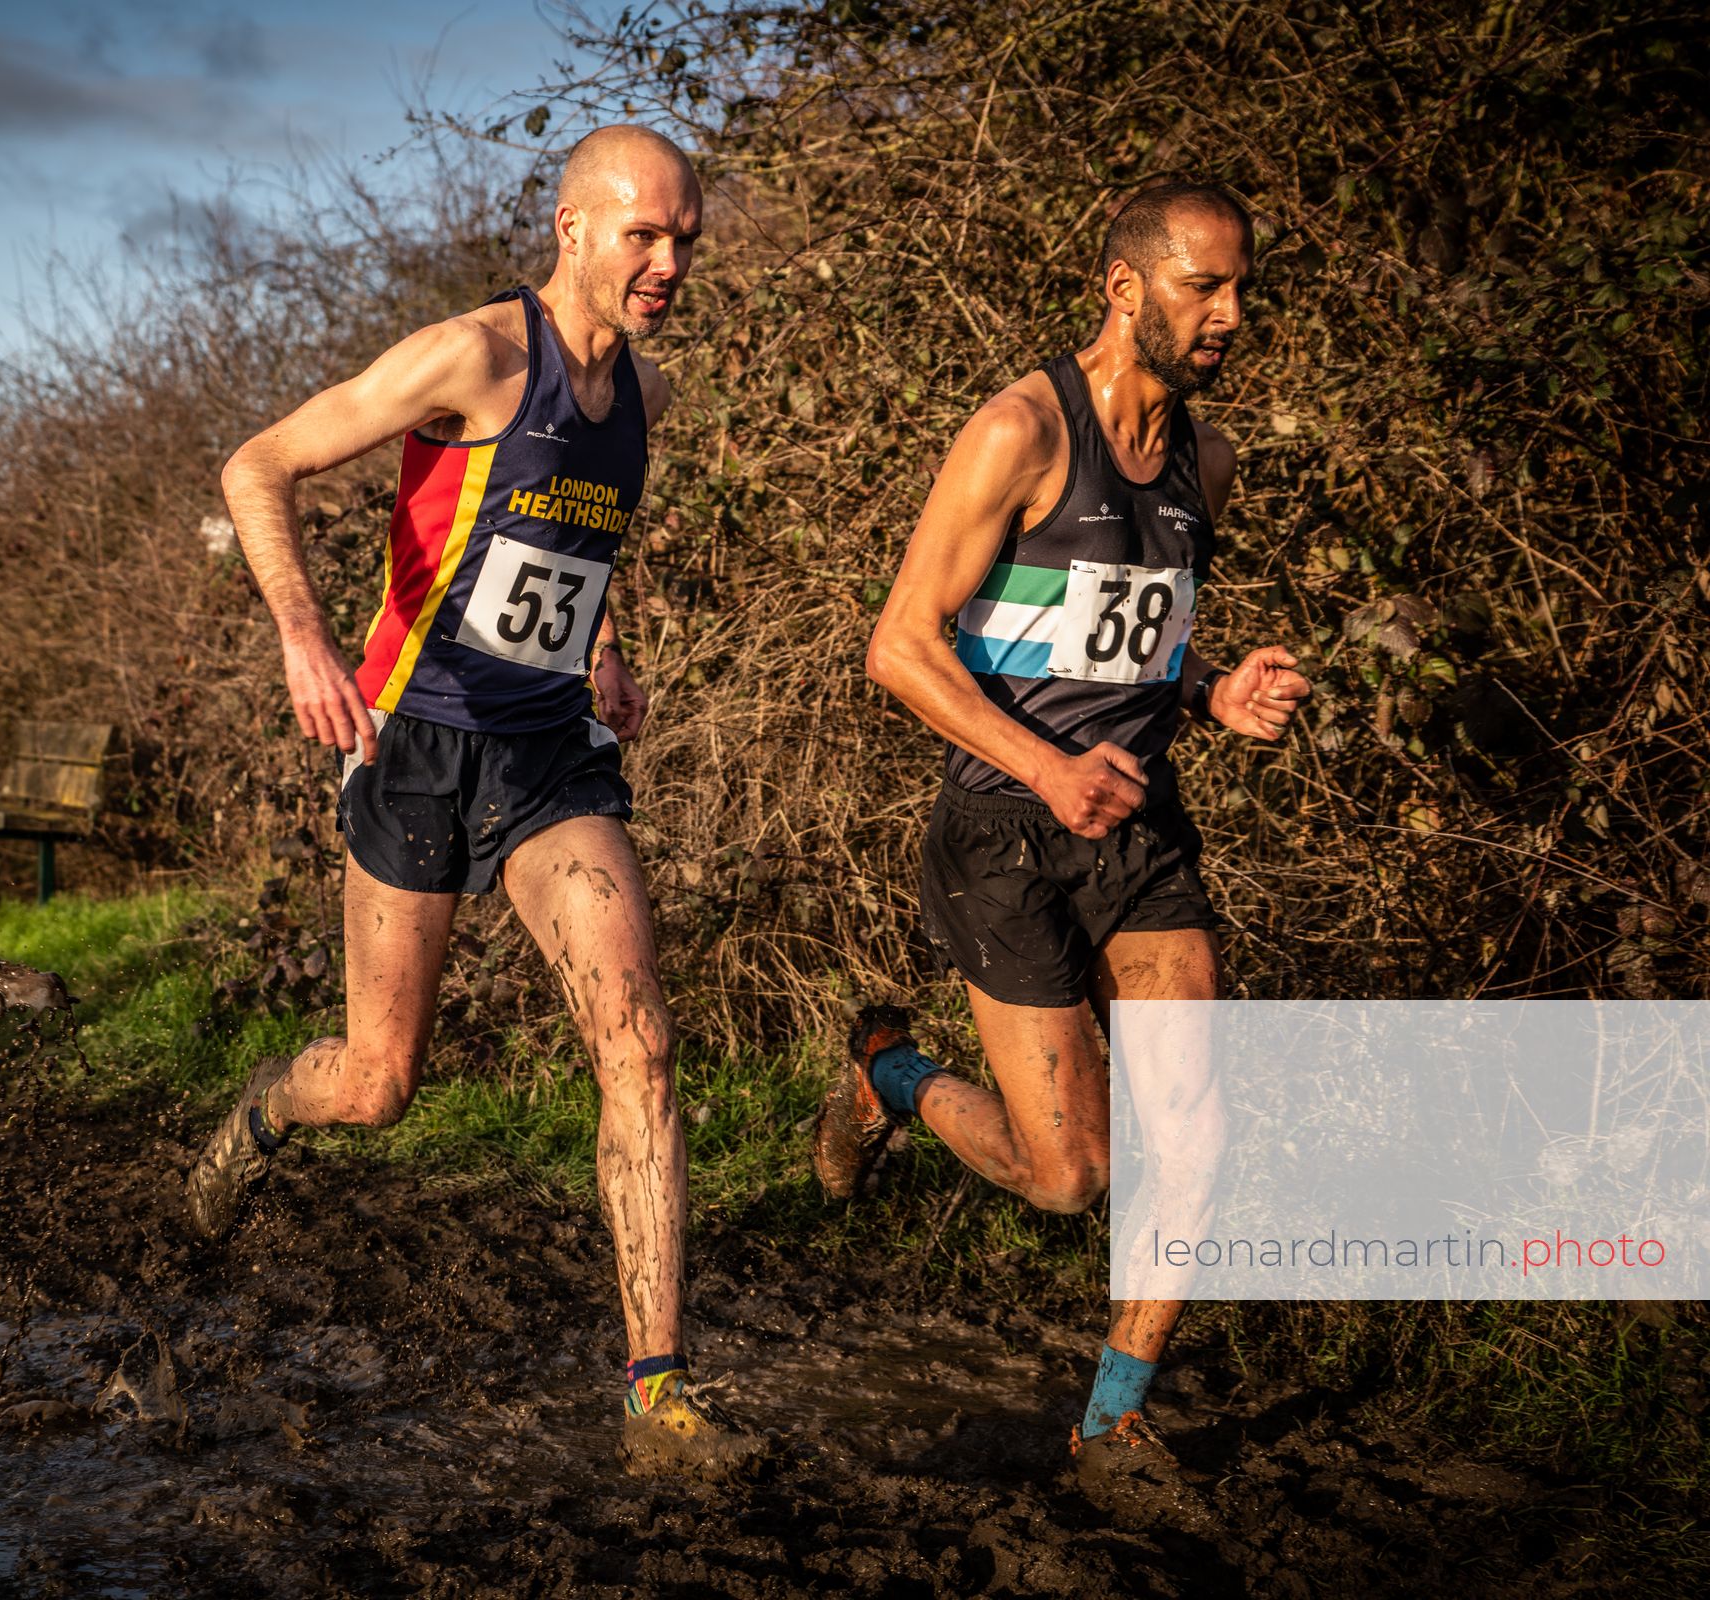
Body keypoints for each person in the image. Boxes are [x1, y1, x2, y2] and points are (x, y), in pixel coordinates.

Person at [182, 125, 759, 1477]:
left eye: (685, 240)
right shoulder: (473, 357)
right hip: (416, 748)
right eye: (644, 235)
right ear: (573, 228)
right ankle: (268, 1111)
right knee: (378, 1083)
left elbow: (565, 545)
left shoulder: (647, 394)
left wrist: (600, 650)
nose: (669, 263)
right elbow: (257, 465)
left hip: (548, 757)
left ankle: (658, 1391)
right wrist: (304, 638)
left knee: (637, 1038)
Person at [816, 177, 1311, 1520]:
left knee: (1196, 1121)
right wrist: (1046, 766)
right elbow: (899, 646)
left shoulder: (1207, 461)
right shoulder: (1021, 433)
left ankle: (1114, 1420)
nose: (1230, 313)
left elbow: (1128, 633)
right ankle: (891, 1076)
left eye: (1242, 288)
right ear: (1125, 286)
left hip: (1137, 830)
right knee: (1070, 1175)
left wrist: (1212, 691)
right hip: (1004, 832)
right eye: (1205, 286)